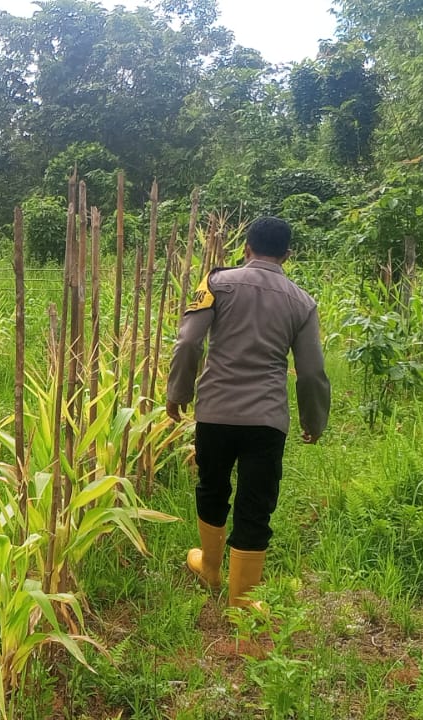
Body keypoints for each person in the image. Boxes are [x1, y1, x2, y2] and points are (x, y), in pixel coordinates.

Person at [165, 216, 330, 611]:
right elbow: (310, 371)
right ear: (288, 255)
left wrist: (178, 392)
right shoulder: (302, 302)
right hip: (267, 419)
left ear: (246, 248)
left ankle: (208, 566)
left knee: (212, 486)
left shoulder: (216, 283)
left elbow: (189, 343)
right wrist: (313, 420)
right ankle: (243, 600)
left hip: (216, 411)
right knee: (256, 503)